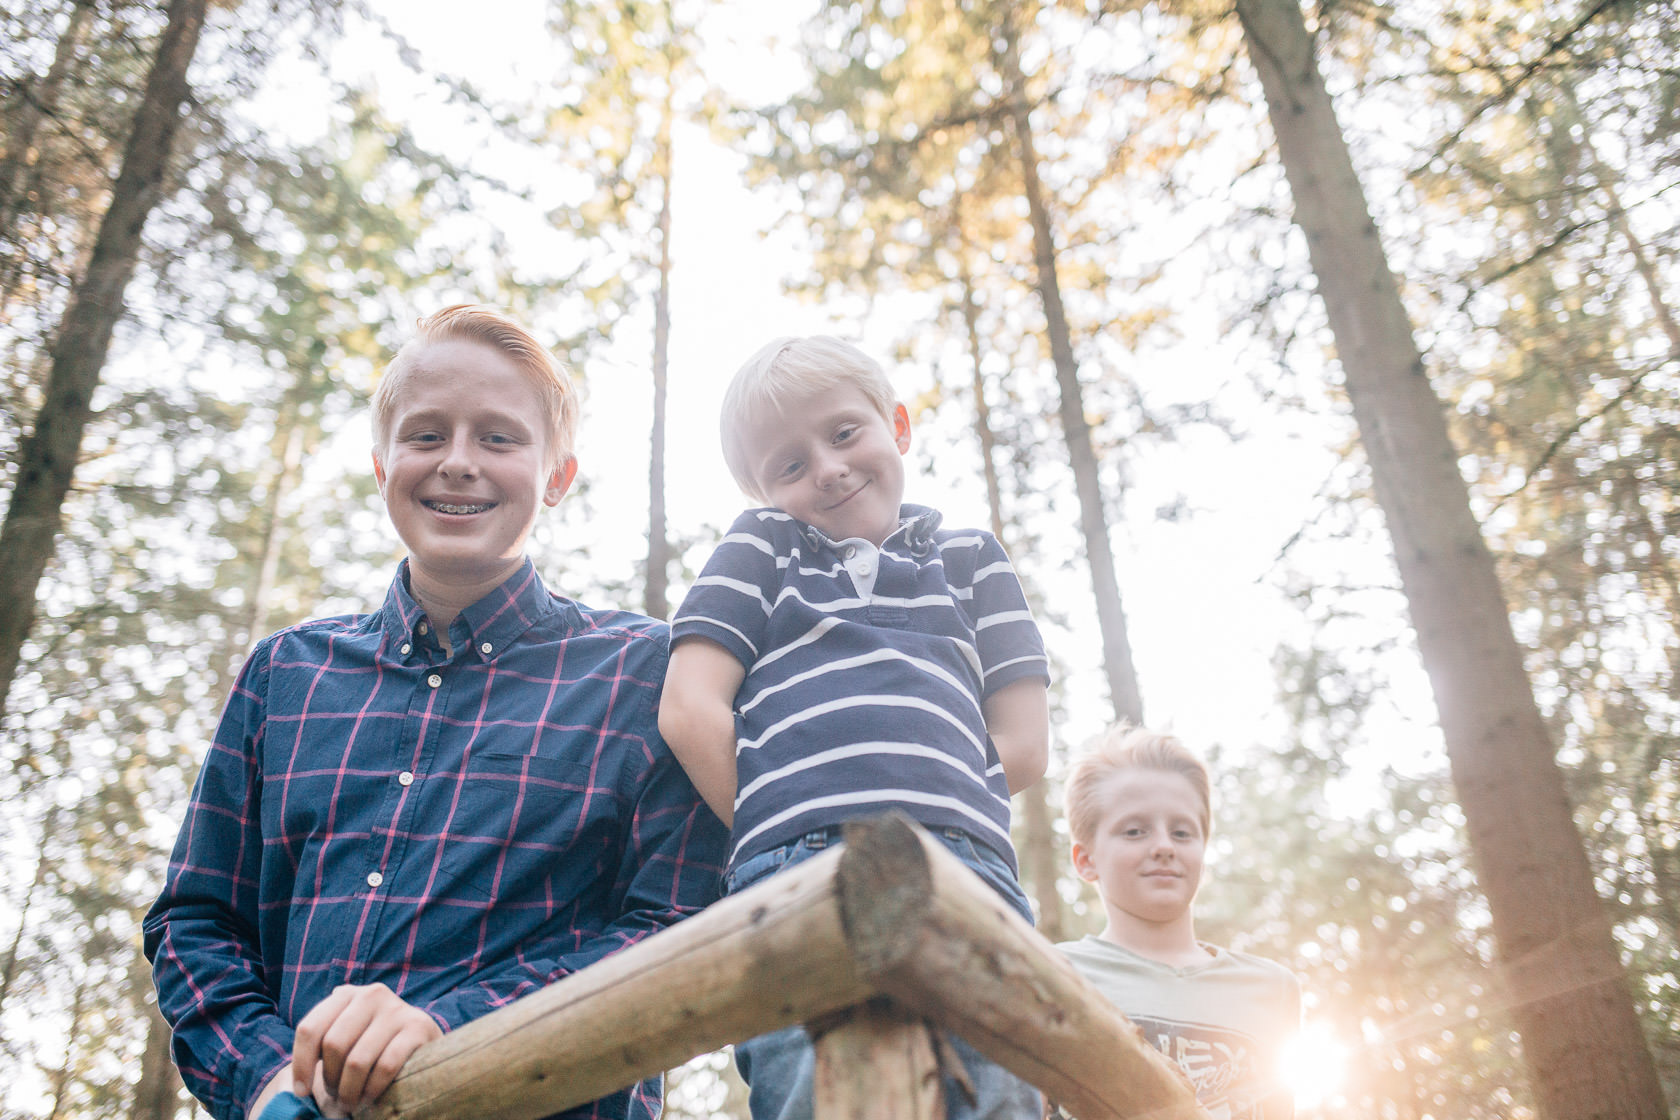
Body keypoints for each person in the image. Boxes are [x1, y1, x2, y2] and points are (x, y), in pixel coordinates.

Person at [143, 305, 728, 1120]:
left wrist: (446, 1029)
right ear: (382, 464)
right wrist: (266, 1074)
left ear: (558, 476)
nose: (458, 463)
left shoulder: (649, 674)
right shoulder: (286, 675)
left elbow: (673, 930)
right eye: (425, 435)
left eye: (498, 438)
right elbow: (197, 919)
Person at [658, 335, 1052, 1120]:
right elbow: (690, 706)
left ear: (897, 426)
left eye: (844, 435)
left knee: (995, 1086)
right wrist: (780, 820)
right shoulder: (764, 548)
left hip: (967, 863)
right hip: (795, 868)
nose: (828, 468)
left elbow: (1024, 741)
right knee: (814, 1082)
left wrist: (935, 789)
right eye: (790, 465)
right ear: (759, 490)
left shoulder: (970, 558)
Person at [1055, 724, 1300, 1120]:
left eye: (1182, 832)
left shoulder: (1272, 988)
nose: (1164, 846)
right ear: (1086, 859)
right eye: (1135, 831)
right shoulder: (1056, 973)